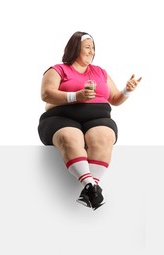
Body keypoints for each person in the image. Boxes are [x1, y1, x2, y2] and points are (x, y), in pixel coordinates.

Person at [38, 31, 141, 210]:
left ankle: (90, 189)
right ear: (75, 47)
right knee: (70, 138)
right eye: (87, 47)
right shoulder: (58, 69)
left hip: (98, 118)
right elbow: (46, 94)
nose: (91, 51)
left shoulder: (100, 72)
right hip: (61, 117)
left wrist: (127, 90)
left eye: (93, 48)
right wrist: (76, 96)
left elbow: (115, 99)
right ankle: (91, 185)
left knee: (104, 138)